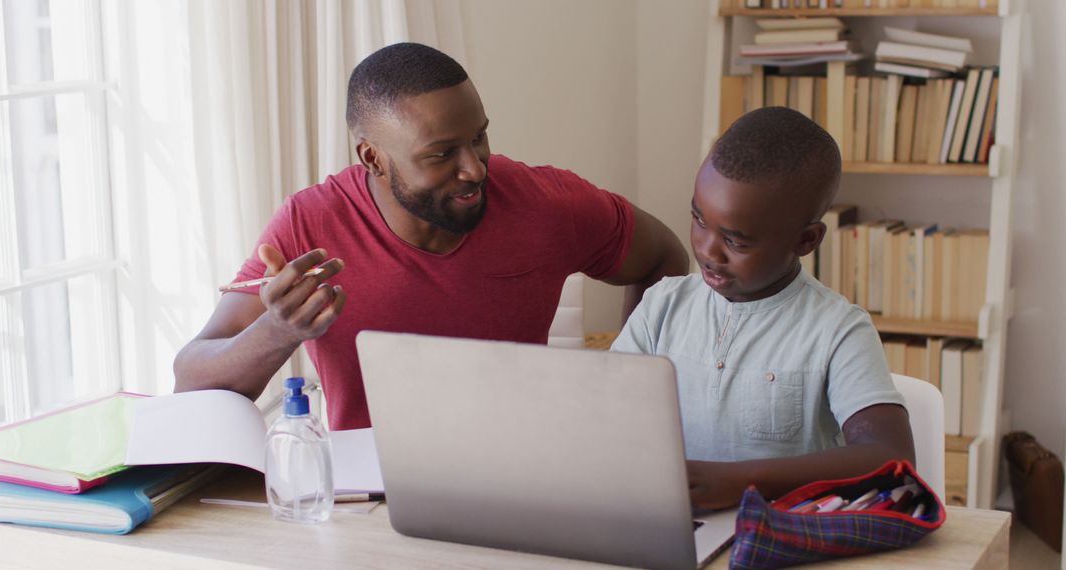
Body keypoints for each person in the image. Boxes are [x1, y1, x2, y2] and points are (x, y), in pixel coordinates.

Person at [173, 42, 688, 430]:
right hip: (373, 498)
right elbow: (190, 379)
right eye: (442, 154)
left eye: (479, 137)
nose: (475, 169)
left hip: (524, 476)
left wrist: (626, 391)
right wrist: (279, 330)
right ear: (373, 158)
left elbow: (663, 257)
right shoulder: (311, 225)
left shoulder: (547, 202)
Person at [610, 107, 915, 510]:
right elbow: (605, 415)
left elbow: (891, 456)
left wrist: (740, 482)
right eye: (699, 220)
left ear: (805, 240)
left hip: (780, 538)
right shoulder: (663, 306)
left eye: (736, 242)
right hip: (672, 528)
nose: (707, 250)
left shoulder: (837, 330)